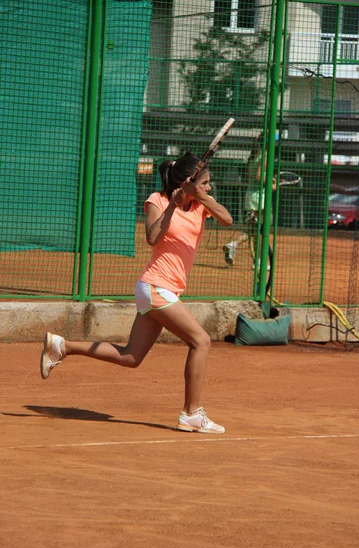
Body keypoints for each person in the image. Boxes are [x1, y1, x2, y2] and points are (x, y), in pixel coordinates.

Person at [40, 152, 233, 434]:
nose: (209, 187)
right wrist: (174, 205)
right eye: (205, 183)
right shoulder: (158, 200)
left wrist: (198, 196)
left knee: (131, 357)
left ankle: (62, 346)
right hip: (156, 286)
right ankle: (192, 413)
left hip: (165, 290)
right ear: (187, 182)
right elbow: (152, 237)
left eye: (208, 183)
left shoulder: (202, 206)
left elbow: (227, 219)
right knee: (201, 341)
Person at [223, 134, 277, 267]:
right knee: (262, 231)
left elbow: (250, 176)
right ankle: (259, 262)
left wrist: (271, 179)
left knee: (252, 230)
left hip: (250, 196)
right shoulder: (265, 156)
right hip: (260, 199)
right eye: (274, 141)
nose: (275, 144)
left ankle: (233, 245)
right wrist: (272, 184)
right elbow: (259, 176)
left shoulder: (253, 156)